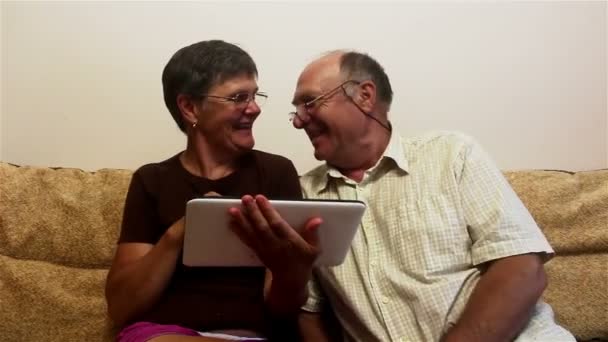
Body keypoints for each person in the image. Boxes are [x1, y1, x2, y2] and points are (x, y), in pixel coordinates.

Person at [231, 50, 575, 342]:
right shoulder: (304, 195)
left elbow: (522, 270)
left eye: (310, 102)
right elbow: (309, 312)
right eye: (297, 110)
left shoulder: (451, 155)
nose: (299, 121)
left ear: (365, 95)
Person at [105, 40, 320, 342]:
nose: (255, 108)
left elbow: (282, 307)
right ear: (190, 108)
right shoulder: (151, 180)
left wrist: (291, 272)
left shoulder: (276, 173)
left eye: (255, 95)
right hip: (167, 334)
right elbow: (121, 306)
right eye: (238, 97)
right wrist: (181, 231)